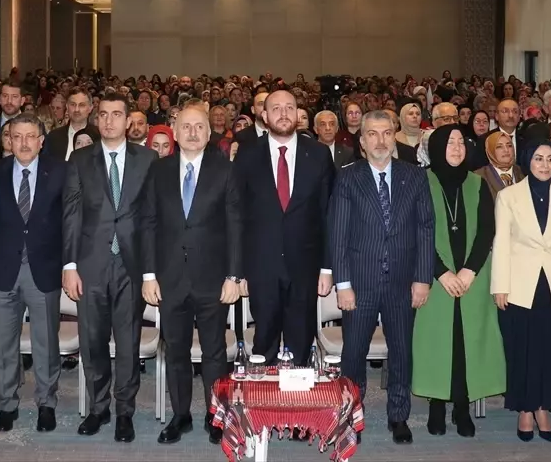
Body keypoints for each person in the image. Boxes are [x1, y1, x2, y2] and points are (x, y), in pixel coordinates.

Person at [329, 110, 433, 444]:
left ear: (395, 137)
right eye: (372, 134)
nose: (380, 140)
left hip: (402, 282)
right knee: (353, 354)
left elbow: (425, 229)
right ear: (362, 141)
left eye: (386, 133)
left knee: (401, 352)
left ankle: (399, 416)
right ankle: (351, 415)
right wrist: (343, 284)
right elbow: (338, 234)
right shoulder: (348, 178)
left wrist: (423, 278)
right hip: (359, 284)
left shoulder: (414, 176)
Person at [141, 105, 243, 445]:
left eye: (199, 126)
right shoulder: (158, 170)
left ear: (209, 132)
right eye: (186, 126)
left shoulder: (225, 170)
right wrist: (149, 275)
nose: (193, 132)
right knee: (176, 351)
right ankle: (180, 415)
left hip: (213, 279)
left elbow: (236, 226)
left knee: (215, 352)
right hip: (169, 278)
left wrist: (234, 276)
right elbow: (148, 223)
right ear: (175, 131)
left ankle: (216, 416)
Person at [63, 93, 155, 442]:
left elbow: (152, 218)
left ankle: (124, 412)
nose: (110, 120)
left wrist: (151, 271)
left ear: (128, 121)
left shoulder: (148, 159)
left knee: (128, 342)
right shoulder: (80, 159)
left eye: (117, 114)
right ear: (96, 119)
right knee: (92, 341)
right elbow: (71, 214)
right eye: (103, 114)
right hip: (91, 265)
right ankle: (99, 407)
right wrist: (70, 265)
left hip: (132, 265)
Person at [491, 139, 551, 442]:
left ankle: (543, 407)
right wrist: (500, 286)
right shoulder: (508, 196)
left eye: (549, 159)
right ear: (527, 161)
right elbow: (501, 243)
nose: (545, 165)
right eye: (538, 159)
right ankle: (525, 408)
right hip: (520, 284)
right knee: (523, 348)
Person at [411, 127, 505, 438]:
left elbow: (487, 231)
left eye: (460, 142)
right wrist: (441, 272)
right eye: (449, 142)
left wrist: (469, 271)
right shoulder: (421, 181)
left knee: (467, 342)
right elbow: (416, 232)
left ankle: (462, 406)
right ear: (437, 147)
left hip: (471, 278)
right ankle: (437, 405)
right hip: (434, 277)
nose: (456, 148)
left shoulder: (477, 183)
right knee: (438, 342)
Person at [236, 89, 334, 368]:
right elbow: (238, 215)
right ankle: (265, 394)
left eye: (289, 107)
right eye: (276, 108)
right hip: (261, 266)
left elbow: (328, 214)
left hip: (305, 266)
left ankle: (298, 395)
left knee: (301, 341)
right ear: (264, 115)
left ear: (298, 114)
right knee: (264, 341)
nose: (283, 113)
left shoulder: (318, 154)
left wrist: (327, 268)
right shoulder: (247, 154)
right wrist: (239, 270)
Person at [0, 114, 65, 434]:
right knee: (4, 344)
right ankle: (7, 404)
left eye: (31, 136)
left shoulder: (60, 171)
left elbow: (70, 221)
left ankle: (46, 403)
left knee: (46, 343)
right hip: (4, 269)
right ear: (9, 140)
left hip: (44, 269)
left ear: (41, 141)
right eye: (17, 136)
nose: (24, 142)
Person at [46, 88, 98, 162]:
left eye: (82, 105)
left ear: (90, 108)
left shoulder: (99, 137)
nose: (76, 109)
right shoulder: (53, 137)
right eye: (73, 105)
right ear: (67, 107)